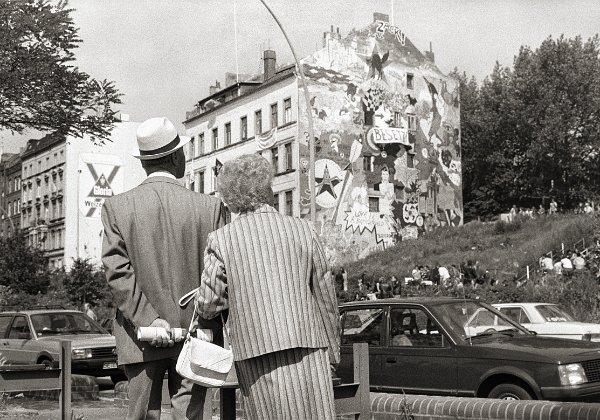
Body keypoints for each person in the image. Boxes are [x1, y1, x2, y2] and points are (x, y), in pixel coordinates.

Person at [194, 154, 340, 420]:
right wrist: (333, 349)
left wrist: (202, 309)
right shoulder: (304, 229)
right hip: (309, 344)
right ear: (267, 188)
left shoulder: (222, 239)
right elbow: (325, 293)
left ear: (231, 198)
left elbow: (210, 301)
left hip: (256, 348)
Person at [101, 117, 225, 419]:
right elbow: (221, 273)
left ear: (144, 162)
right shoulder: (210, 207)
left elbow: (117, 272)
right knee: (191, 416)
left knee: (144, 415)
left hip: (138, 335)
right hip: (198, 333)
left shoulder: (117, 207)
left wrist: (150, 319)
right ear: (175, 157)